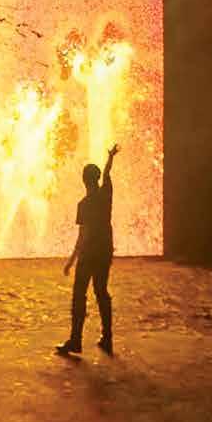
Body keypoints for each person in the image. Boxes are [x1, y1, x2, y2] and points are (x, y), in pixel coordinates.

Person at [56, 144, 120, 357]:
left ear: (84, 180)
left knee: (79, 295)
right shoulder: (105, 195)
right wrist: (110, 157)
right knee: (101, 292)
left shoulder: (83, 204)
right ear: (97, 178)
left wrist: (71, 261)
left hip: (88, 255)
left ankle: (76, 340)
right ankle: (107, 338)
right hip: (104, 252)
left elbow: (82, 236)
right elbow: (108, 173)